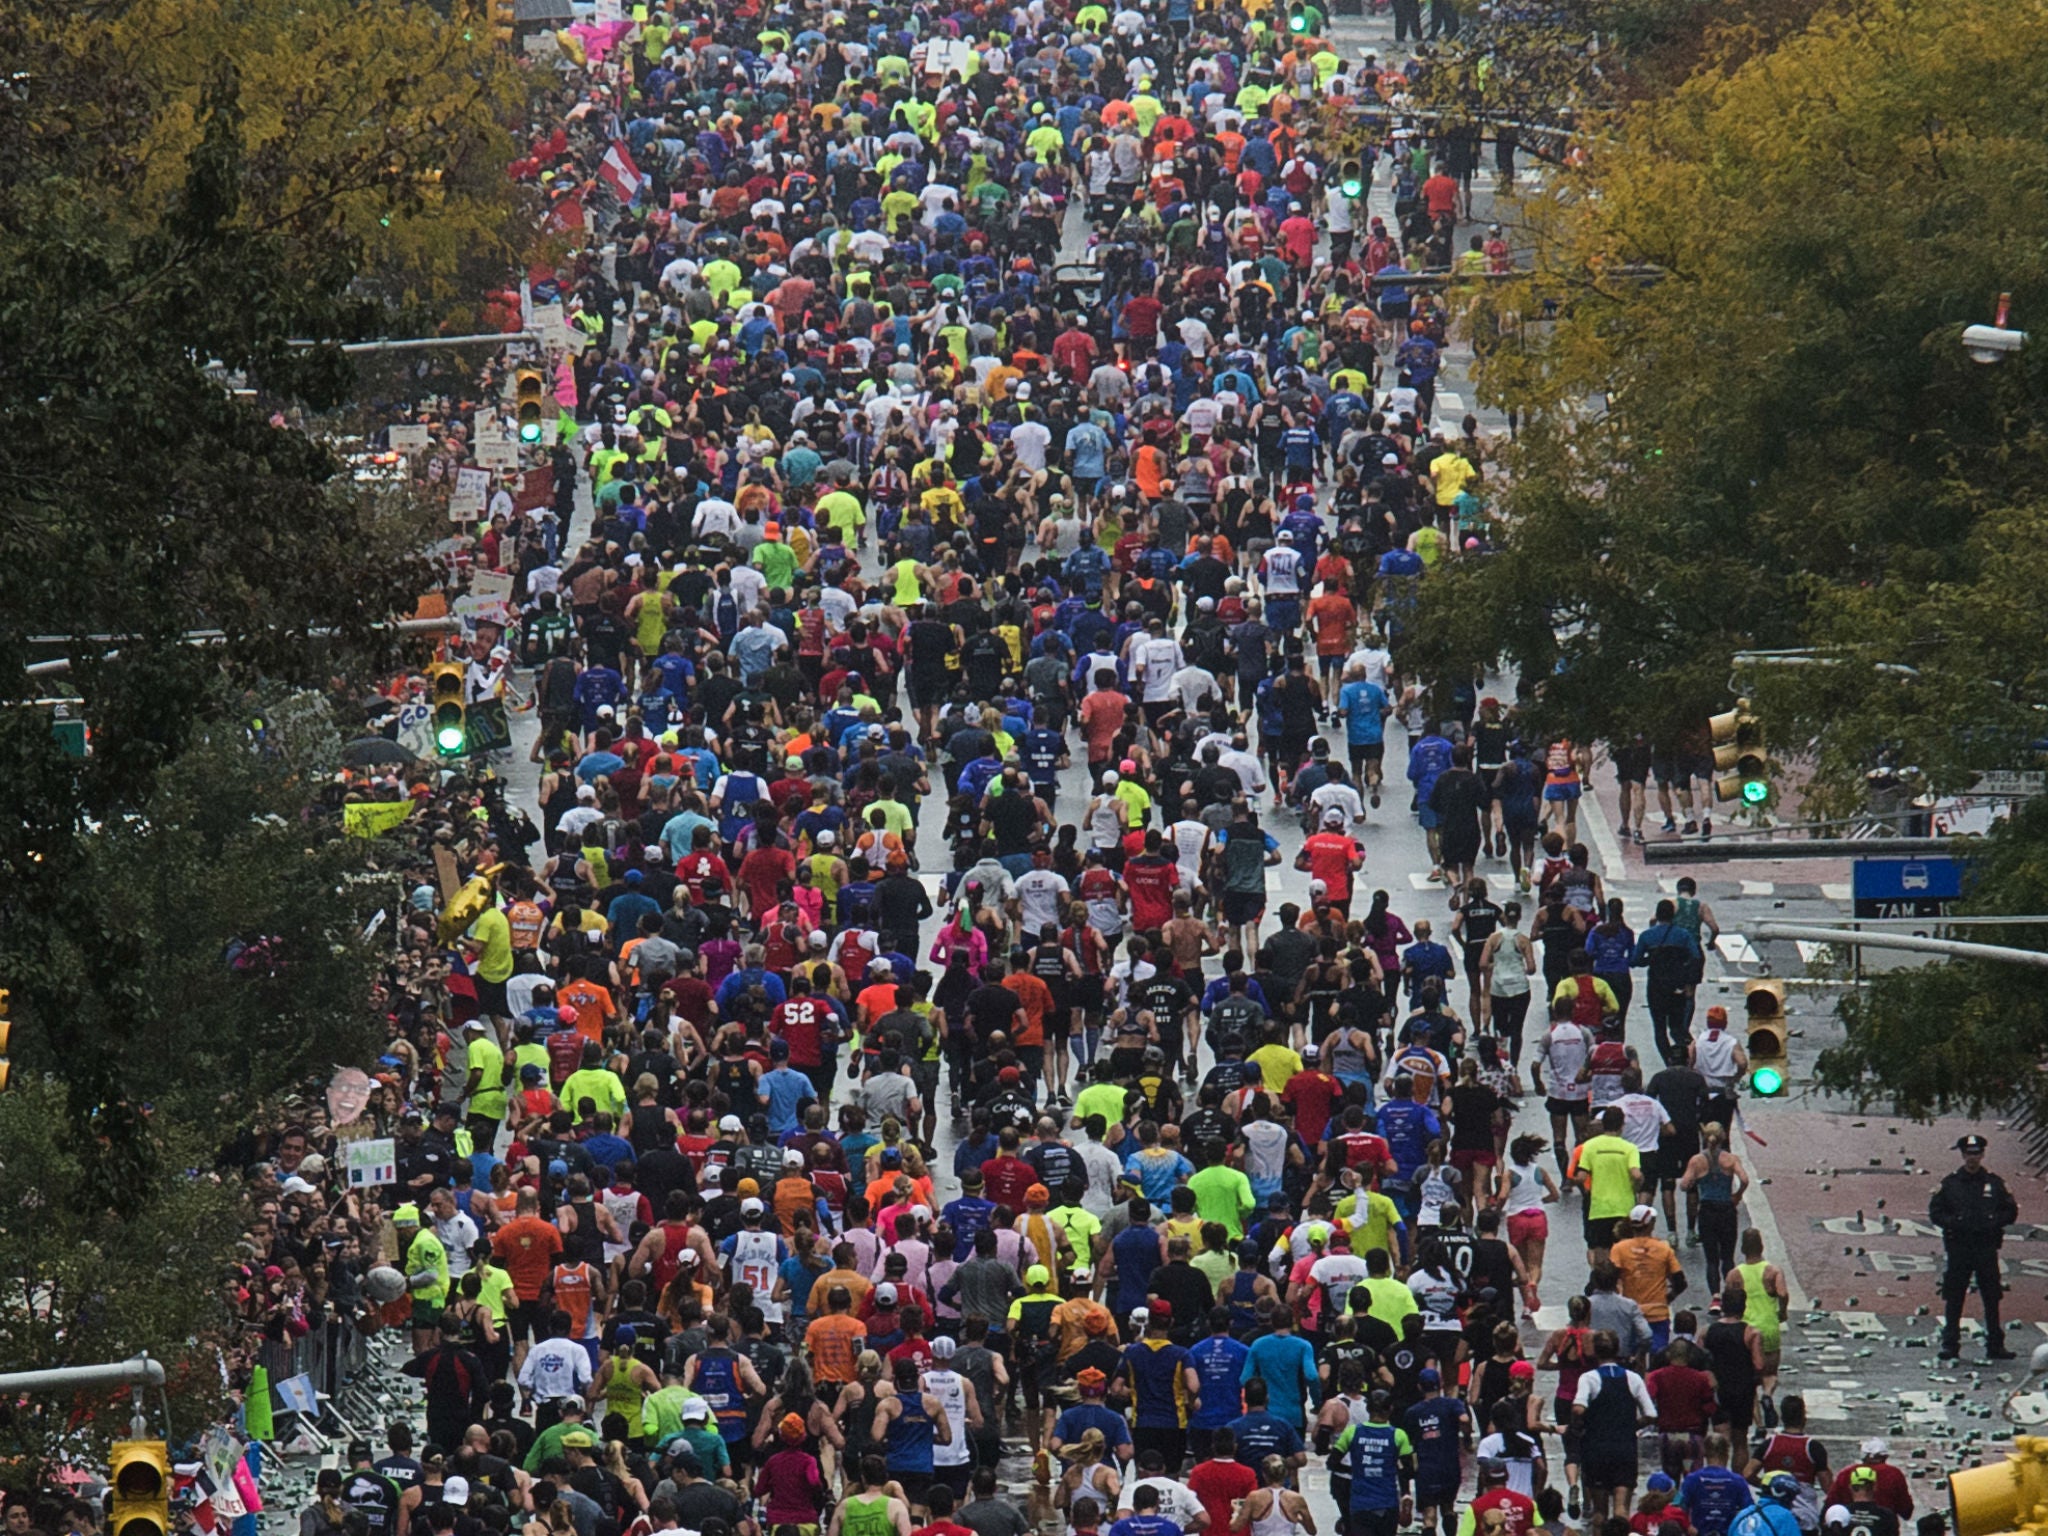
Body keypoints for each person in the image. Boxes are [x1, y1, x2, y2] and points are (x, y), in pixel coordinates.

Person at [1930, 1132, 2020, 1361]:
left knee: (1991, 1296)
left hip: (1985, 1247)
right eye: (1969, 1154)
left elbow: (2010, 1211)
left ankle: (1995, 1344)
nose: (1973, 1158)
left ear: (1982, 1154)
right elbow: (1936, 1212)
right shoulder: (1950, 1184)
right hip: (1959, 1247)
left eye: (1976, 1153)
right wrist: (1955, 1223)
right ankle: (1950, 1344)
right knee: (1954, 1295)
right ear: (1962, 1155)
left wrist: (1992, 1222)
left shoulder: (1994, 1183)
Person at [1570, 1331, 1656, 1520]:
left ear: (1594, 1351)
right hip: (1624, 1448)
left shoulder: (1588, 1378)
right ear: (1617, 1350)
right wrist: (1630, 1425)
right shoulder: (1632, 1378)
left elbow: (1578, 1408)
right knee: (1621, 1508)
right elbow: (1650, 1414)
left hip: (1596, 1449)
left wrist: (1579, 1425)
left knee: (1599, 1511)